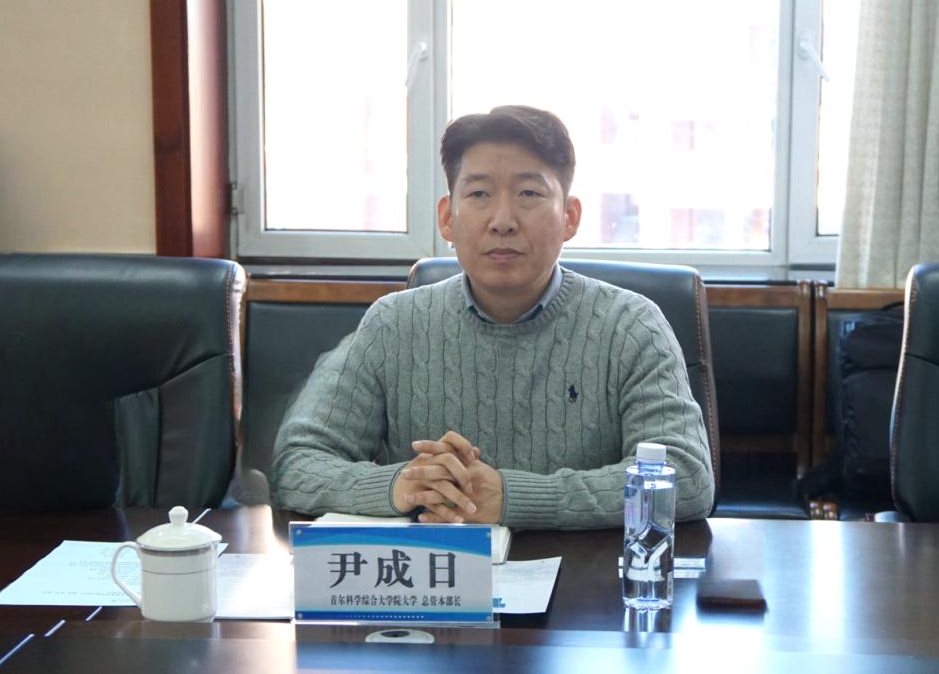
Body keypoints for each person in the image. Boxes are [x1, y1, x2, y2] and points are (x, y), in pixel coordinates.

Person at [271, 105, 714, 528]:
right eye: (479, 194)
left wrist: (512, 498)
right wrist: (402, 485)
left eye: (529, 194)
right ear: (447, 218)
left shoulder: (631, 326)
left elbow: (687, 477)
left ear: (569, 217)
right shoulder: (393, 324)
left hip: (586, 574)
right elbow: (298, 463)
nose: (503, 220)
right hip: (436, 575)